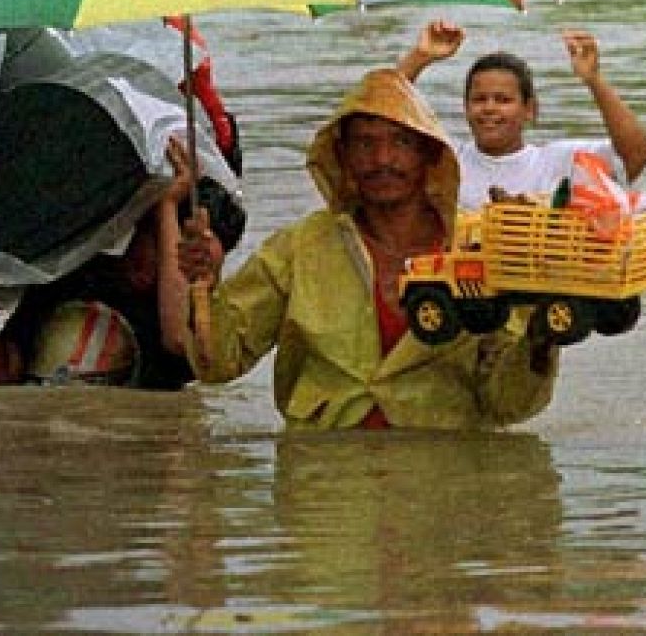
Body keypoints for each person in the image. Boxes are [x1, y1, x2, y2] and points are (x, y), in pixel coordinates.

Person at [170, 68, 561, 430]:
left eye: (401, 142)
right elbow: (218, 365)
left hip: (444, 481)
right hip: (323, 480)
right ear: (342, 157)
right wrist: (203, 285)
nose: (382, 160)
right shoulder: (298, 248)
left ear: (429, 155)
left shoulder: (479, 247)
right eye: (364, 143)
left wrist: (541, 340)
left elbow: (511, 404)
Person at [0, 142, 232, 390]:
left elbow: (178, 339)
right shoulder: (72, 273)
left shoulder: (172, 318)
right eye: (153, 237)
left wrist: (167, 204)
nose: (159, 260)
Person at [397, 20, 646, 210]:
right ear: (465, 108)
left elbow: (637, 154)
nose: (489, 108)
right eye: (479, 100)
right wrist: (419, 58)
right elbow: (380, 120)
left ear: (529, 110)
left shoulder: (558, 161)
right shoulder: (447, 159)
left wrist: (593, 80)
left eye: (503, 100)